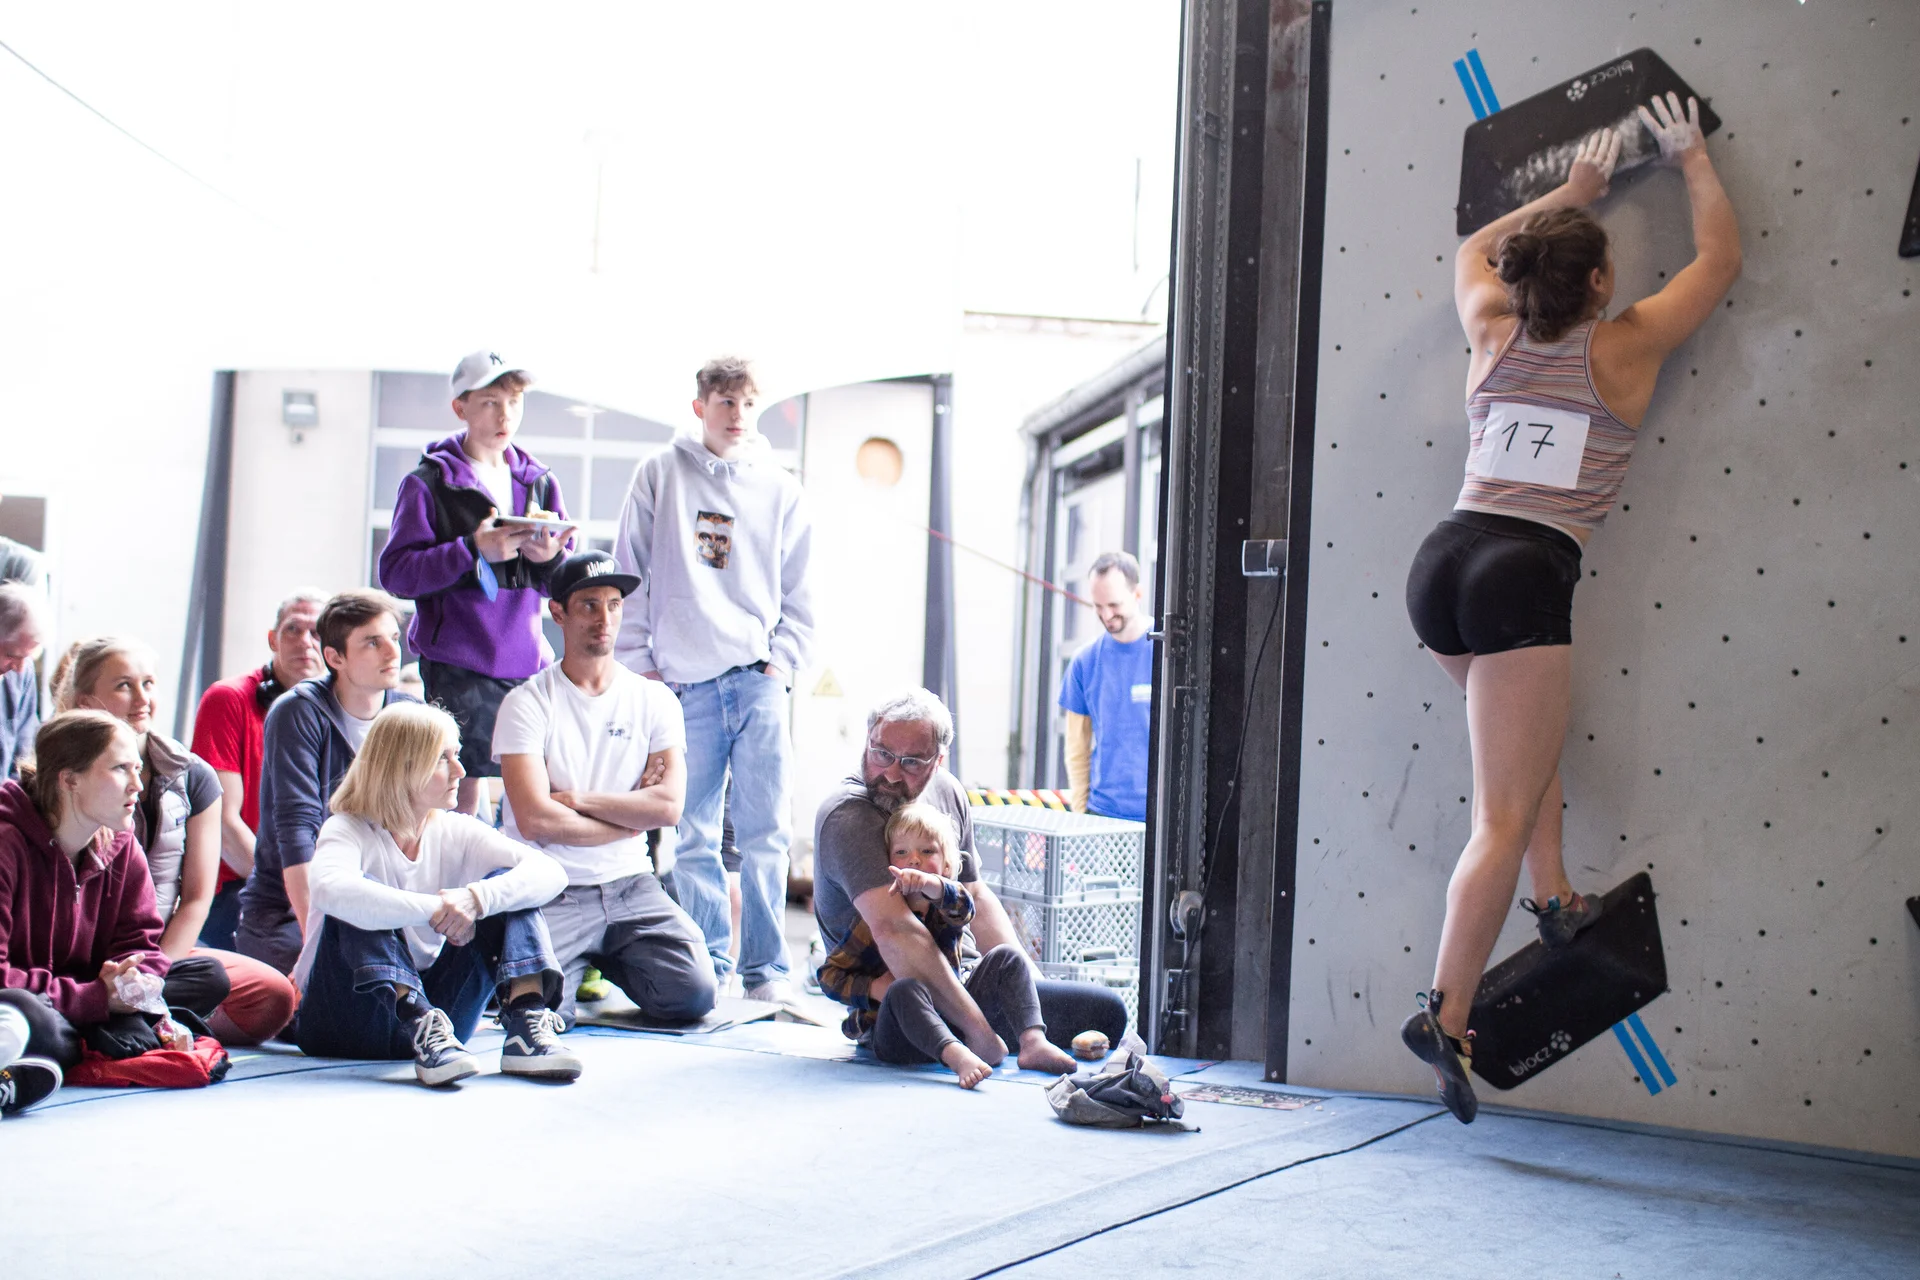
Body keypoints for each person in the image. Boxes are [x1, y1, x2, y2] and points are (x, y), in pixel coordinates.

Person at [1400, 98, 1740, 1124]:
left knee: (1524, 759)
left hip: (1443, 564)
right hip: (1521, 574)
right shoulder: (1622, 346)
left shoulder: (1490, 328)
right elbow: (1718, 262)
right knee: (1495, 814)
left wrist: (1576, 189)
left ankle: (1555, 898)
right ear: (1598, 283)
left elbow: (1476, 247)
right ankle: (1445, 1012)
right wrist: (1690, 158)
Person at [613, 357, 815, 1001]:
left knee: (765, 833)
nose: (735, 415)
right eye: (723, 401)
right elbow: (630, 572)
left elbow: (801, 587)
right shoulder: (660, 474)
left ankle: (766, 971)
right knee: (691, 833)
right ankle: (708, 964)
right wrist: (644, 669)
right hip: (682, 686)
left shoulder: (779, 487)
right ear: (700, 405)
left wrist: (780, 661)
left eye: (746, 403)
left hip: (756, 680)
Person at [814, 689, 1125, 1074]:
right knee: (907, 994)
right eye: (882, 754)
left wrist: (1029, 998)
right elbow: (895, 930)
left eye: (911, 762)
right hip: (905, 1011)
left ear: (938, 759)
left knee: (1107, 1013)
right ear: (867, 740)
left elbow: (975, 896)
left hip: (967, 981)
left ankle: (1027, 1042)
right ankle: (962, 1046)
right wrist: (978, 1031)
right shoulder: (851, 817)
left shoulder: (946, 791)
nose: (892, 773)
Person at [292, 702, 576, 1085]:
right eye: (443, 758)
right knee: (359, 897)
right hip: (343, 1021)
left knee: (505, 887)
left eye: (456, 756)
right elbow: (330, 890)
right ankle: (416, 1015)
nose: (460, 770)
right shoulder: (347, 829)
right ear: (403, 766)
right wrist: (437, 909)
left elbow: (550, 872)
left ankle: (526, 1020)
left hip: (442, 1027)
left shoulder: (456, 829)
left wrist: (475, 899)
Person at [496, 550, 716, 1029]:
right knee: (543, 1014)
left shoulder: (654, 700)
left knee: (693, 996)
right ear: (558, 613)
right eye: (589, 605)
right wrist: (628, 815)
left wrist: (577, 801)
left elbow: (668, 807)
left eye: (614, 605)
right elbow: (535, 820)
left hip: (631, 884)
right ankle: (584, 964)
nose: (605, 618)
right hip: (553, 887)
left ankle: (610, 959)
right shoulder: (526, 703)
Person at [61, 638, 299, 1044]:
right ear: (86, 700)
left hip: (153, 950)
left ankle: (129, 1018)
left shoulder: (192, 775)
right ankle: (102, 1015)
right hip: (69, 953)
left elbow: (195, 899)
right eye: (123, 686)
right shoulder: (60, 775)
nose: (142, 698)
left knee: (274, 998)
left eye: (149, 684)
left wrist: (150, 977)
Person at [378, 350, 575, 818]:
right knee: (458, 786)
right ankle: (459, 888)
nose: (505, 414)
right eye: (489, 401)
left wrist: (552, 559)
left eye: (514, 400)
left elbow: (560, 586)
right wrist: (471, 552)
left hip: (527, 663)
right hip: (456, 662)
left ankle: (520, 888)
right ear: (460, 408)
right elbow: (396, 573)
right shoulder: (428, 482)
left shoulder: (540, 483)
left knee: (534, 786)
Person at [0, 711, 230, 1072]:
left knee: (208, 976)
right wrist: (95, 999)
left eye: (138, 769)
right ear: (70, 780)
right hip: (28, 998)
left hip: (87, 994)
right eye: (121, 769)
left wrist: (135, 983)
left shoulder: (121, 843)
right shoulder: (7, 844)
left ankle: (86, 1039)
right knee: (28, 1013)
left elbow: (140, 942)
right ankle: (104, 1035)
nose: (137, 784)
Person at [820, 802, 1070, 1087]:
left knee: (1007, 957)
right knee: (905, 989)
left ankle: (1033, 1041)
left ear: (947, 865)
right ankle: (956, 1056)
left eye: (927, 852)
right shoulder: (875, 919)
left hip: (956, 1016)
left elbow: (963, 907)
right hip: (900, 1033)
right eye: (901, 852)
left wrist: (931, 885)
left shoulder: (947, 905)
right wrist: (876, 988)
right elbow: (829, 976)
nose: (913, 860)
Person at [237, 589, 418, 974]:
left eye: (393, 639)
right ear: (334, 657)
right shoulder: (298, 713)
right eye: (372, 642)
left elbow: (432, 821)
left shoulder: (410, 713)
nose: (391, 652)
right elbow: (296, 830)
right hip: (289, 909)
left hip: (383, 902)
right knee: (334, 1011)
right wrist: (314, 945)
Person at [189, 589, 327, 951]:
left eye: (316, 633)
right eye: (293, 630)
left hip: (315, 883)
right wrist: (294, 891)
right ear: (273, 639)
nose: (305, 643)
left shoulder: (341, 712)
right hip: (244, 887)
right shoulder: (228, 699)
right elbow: (222, 821)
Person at [1059, 551, 1154, 821]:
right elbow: (1077, 748)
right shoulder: (1084, 662)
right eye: (1098, 606)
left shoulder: (1168, 654)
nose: (1106, 614)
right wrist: (1081, 814)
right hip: (1103, 814)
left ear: (1138, 594)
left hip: (1163, 815)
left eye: (1113, 604)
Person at [0, 581, 48, 783]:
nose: (18, 668)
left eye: (27, 658)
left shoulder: (23, 672)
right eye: (12, 655)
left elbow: (24, 749)